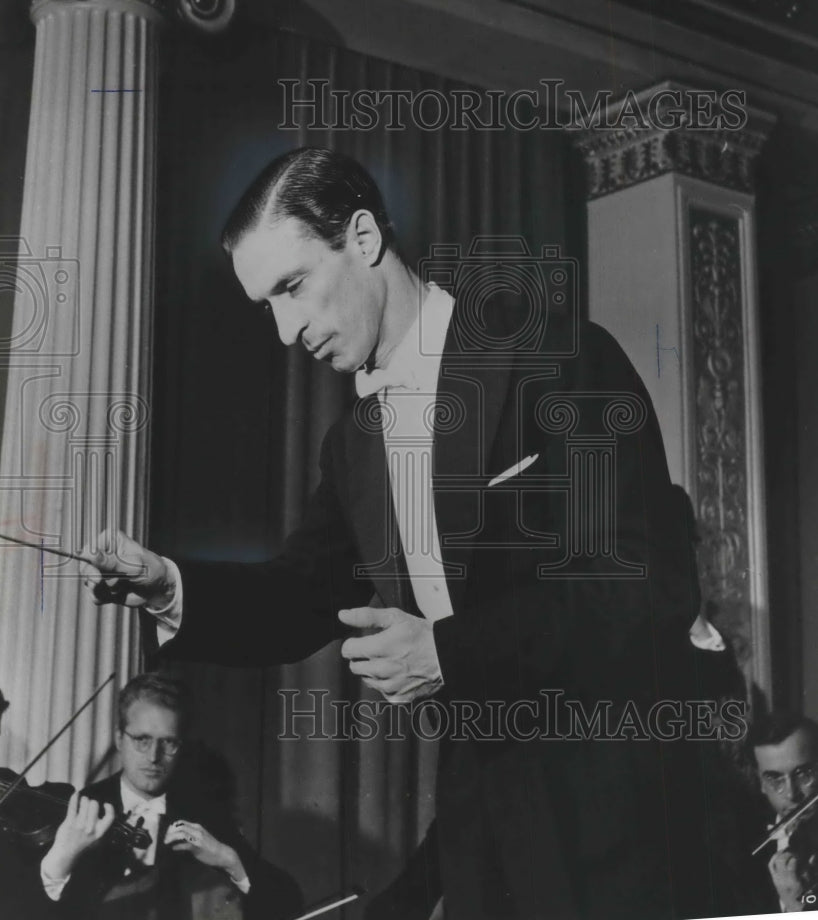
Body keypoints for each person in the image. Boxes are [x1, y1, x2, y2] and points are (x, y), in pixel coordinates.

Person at [80, 147, 715, 919]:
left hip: (622, 830)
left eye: (293, 287)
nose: (286, 332)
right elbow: (298, 595)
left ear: (364, 239)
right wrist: (170, 585)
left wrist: (447, 652)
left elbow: (649, 587)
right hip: (485, 837)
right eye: (266, 306)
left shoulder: (559, 362)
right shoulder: (354, 443)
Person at [37, 672, 302, 919]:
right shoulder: (84, 808)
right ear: (119, 739)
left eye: (168, 742)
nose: (154, 757)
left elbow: (287, 904)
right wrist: (59, 860)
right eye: (142, 739)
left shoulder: (204, 814)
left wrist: (228, 860)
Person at [750, 713, 818, 912]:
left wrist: (799, 906)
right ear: (761, 783)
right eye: (775, 779)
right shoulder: (740, 848)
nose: (791, 793)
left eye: (804, 774)